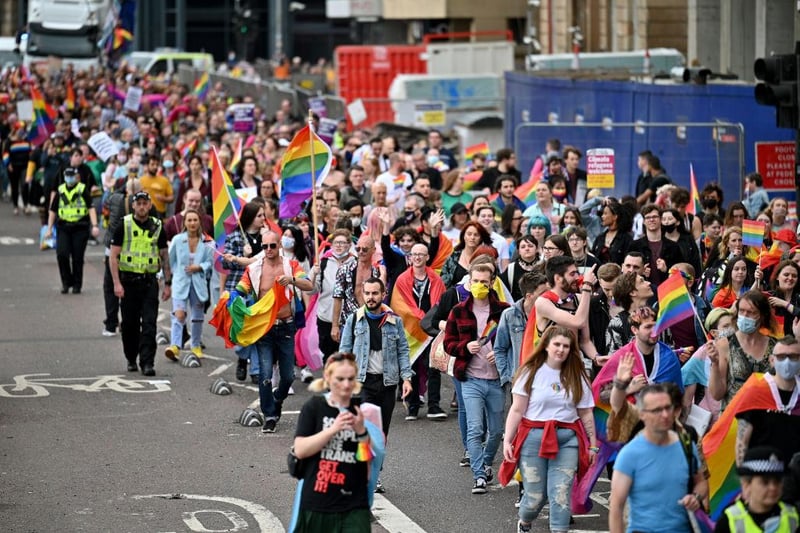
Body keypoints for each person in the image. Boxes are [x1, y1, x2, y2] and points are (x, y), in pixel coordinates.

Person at [501, 325, 597, 533]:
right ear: (546, 345)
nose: (561, 350)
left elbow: (586, 413)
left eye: (566, 346)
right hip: (534, 438)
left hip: (567, 440)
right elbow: (517, 409)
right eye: (557, 345)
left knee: (561, 493)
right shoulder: (530, 371)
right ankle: (525, 522)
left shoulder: (577, 374)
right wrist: (507, 440)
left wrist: (593, 445)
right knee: (535, 496)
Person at [233, 230, 313, 433]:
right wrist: (232, 298)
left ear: (279, 246)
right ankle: (269, 415)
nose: (268, 250)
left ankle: (277, 399)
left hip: (286, 326)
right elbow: (241, 288)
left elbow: (309, 285)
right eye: (265, 246)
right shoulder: (254, 269)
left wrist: (291, 280)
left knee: (287, 377)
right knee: (265, 374)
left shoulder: (290, 265)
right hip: (265, 329)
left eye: (272, 246)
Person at [339, 277, 413, 493]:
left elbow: (403, 350)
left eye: (375, 293)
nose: (370, 298)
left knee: (381, 434)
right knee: (364, 431)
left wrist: (406, 378)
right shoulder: (354, 320)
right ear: (362, 294)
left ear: (383, 294)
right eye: (367, 293)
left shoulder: (394, 321)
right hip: (362, 383)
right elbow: (344, 351)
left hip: (388, 383)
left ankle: (374, 474)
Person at [443, 262, 510, 494]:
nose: (480, 285)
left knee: (497, 431)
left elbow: (514, 343)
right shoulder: (459, 311)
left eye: (484, 282)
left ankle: (486, 462)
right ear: (468, 282)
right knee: (474, 428)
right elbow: (448, 343)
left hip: (496, 380)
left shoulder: (503, 311)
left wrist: (500, 354)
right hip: (470, 378)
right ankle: (479, 474)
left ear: (492, 283)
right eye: (476, 281)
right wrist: (465, 346)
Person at [609, 383, 707, 533]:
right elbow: (616, 507)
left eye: (668, 408)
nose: (665, 415)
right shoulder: (630, 454)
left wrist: (696, 497)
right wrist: (621, 385)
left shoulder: (687, 444)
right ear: (642, 414)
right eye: (657, 410)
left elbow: (701, 482)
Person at [292, 352, 373, 533]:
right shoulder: (314, 406)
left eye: (351, 379)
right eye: (340, 379)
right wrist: (333, 429)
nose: (346, 385)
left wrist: (361, 433)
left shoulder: (363, 411)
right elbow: (300, 450)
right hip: (318, 502)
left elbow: (367, 464)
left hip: (354, 504)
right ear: (328, 377)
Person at [109, 191, 171, 376]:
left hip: (149, 282)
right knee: (130, 325)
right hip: (128, 283)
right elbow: (113, 256)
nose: (142, 207)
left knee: (150, 324)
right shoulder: (124, 225)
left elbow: (164, 256)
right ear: (134, 205)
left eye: (145, 203)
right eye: (139, 203)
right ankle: (131, 357)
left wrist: (168, 283)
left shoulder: (158, 226)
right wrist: (116, 283)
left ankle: (147, 362)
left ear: (150, 205)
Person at [390, 243, 447, 420]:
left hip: (432, 330)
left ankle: (434, 406)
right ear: (410, 257)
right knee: (412, 366)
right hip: (411, 330)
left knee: (434, 367)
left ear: (427, 257)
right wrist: (421, 317)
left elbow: (440, 304)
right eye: (414, 254)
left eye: (421, 254)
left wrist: (429, 320)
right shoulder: (402, 279)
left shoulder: (436, 280)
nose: (417, 257)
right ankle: (413, 407)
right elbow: (400, 306)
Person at [733, 336, 800, 475]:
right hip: (761, 475)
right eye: (781, 357)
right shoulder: (755, 392)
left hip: (796, 479)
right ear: (771, 361)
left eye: (793, 357)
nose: (787, 362)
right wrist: (745, 481)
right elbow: (741, 443)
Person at [708, 290, 778, 411]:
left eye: (751, 312)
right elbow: (716, 394)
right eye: (741, 311)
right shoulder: (725, 344)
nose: (745, 316)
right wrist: (714, 363)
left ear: (762, 316)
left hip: (767, 420)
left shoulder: (775, 346)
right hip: (734, 419)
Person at [535, 256, 604, 366]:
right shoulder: (543, 302)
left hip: (574, 365)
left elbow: (584, 341)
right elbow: (577, 321)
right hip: (550, 366)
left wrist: (596, 357)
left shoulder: (579, 299)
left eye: (577, 273)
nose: (577, 277)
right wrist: (586, 287)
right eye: (572, 274)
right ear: (558, 278)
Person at [165, 209, 213, 361]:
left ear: (200, 222)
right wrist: (174, 274)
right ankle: (175, 346)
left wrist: (200, 267)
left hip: (198, 283)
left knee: (197, 317)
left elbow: (211, 262)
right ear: (184, 223)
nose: (192, 223)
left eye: (195, 220)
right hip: (181, 282)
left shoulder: (207, 242)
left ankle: (196, 345)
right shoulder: (178, 240)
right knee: (179, 314)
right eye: (189, 220)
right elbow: (170, 260)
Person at [714, 447, 799, 533]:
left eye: (777, 481)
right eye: (765, 482)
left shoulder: (794, 516)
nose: (773, 487)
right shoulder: (728, 521)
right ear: (747, 485)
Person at [44, 166, 100, 294]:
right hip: (63, 227)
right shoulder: (60, 190)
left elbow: (91, 208)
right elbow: (53, 211)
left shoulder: (82, 189)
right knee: (62, 254)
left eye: (72, 176)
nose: (70, 178)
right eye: (67, 176)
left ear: (76, 176)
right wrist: (49, 228)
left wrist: (95, 225)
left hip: (80, 227)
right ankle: (66, 282)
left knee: (77, 257)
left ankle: (77, 284)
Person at [591, 198, 634, 266]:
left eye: (605, 213)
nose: (602, 216)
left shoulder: (626, 239)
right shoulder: (600, 238)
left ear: (615, 217)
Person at [139, 154, 174, 219]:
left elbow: (171, 198)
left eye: (157, 165)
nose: (155, 167)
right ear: (147, 165)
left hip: (160, 214)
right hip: (144, 212)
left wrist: (163, 198)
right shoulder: (140, 181)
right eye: (152, 164)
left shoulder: (164, 180)